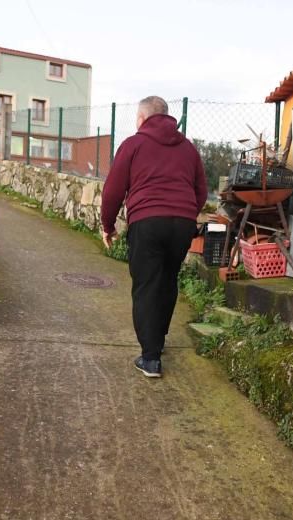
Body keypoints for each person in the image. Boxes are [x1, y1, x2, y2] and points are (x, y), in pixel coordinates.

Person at [100, 96, 207, 378]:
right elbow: (201, 191)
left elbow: (113, 190)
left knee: (147, 284)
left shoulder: (133, 144)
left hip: (147, 221)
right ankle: (157, 340)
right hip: (183, 223)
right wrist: (184, 213)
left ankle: (150, 358)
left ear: (142, 118)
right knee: (167, 280)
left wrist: (107, 226)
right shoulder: (188, 148)